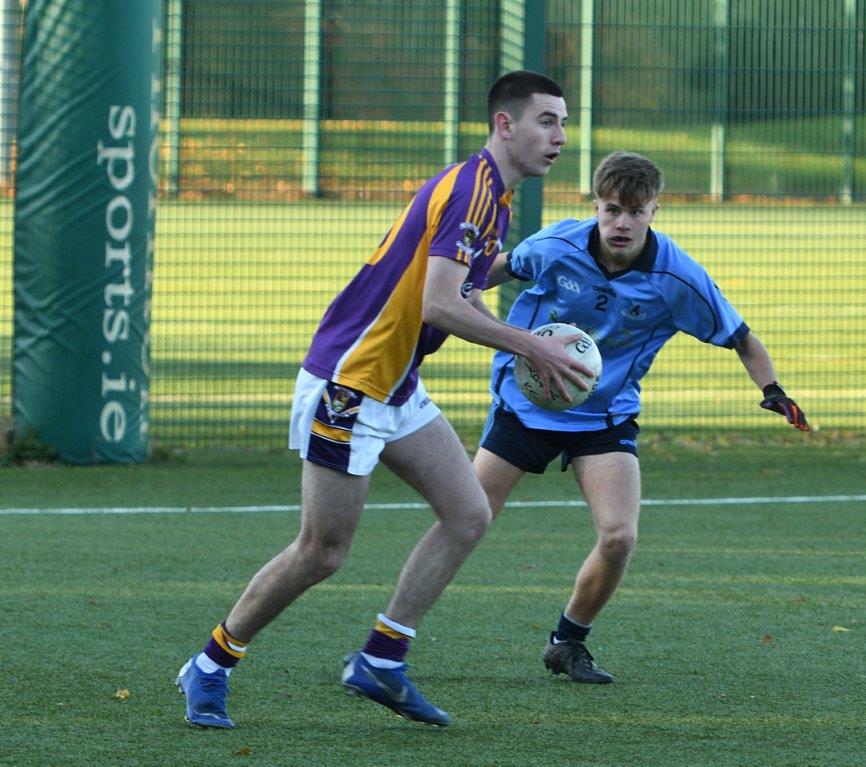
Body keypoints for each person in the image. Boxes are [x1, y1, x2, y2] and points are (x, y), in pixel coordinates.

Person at [175, 71, 593, 729]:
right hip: (351, 383)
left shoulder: (495, 199)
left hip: (394, 383)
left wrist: (532, 300)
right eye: (547, 120)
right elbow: (438, 303)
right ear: (505, 124)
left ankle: (383, 657)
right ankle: (210, 663)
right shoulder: (473, 194)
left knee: (468, 512)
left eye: (564, 122)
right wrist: (530, 348)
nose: (561, 136)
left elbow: (467, 291)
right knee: (322, 551)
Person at [472, 151, 809, 684]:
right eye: (610, 210)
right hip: (525, 405)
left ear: (655, 209)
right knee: (463, 520)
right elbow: (497, 270)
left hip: (605, 417)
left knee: (618, 537)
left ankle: (567, 642)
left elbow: (742, 338)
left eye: (635, 211)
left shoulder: (677, 277)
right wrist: (458, 295)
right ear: (596, 206)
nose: (621, 223)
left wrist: (772, 390)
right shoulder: (557, 245)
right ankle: (391, 636)